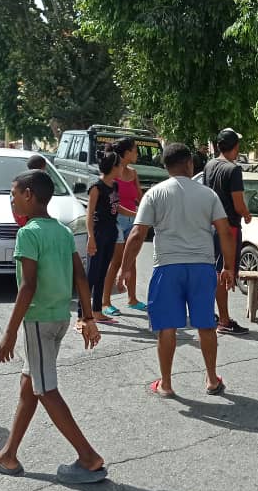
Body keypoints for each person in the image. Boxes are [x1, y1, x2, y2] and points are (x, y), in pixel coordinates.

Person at [0, 170, 106, 482]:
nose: (11, 200)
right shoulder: (62, 232)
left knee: (46, 390)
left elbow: (28, 286)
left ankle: (88, 457)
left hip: (38, 320)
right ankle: (8, 455)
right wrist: (87, 317)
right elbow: (80, 276)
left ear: (30, 195)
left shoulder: (28, 234)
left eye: (14, 193)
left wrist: (9, 332)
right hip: (59, 318)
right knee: (30, 385)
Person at [120, 143, 236, 397]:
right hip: (202, 267)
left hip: (167, 268)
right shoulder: (208, 195)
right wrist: (228, 266)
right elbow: (225, 231)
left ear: (166, 167)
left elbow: (138, 233)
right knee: (206, 325)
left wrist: (125, 268)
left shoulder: (155, 194)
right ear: (189, 164)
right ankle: (212, 380)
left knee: (167, 327)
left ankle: (167, 383)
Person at [203, 129, 252, 335]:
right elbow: (238, 203)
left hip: (210, 225)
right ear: (235, 147)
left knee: (213, 272)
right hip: (228, 226)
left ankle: (209, 313)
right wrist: (247, 215)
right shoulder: (233, 170)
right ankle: (224, 320)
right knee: (225, 273)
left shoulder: (209, 165)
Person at [101, 138, 146, 316]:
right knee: (117, 260)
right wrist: (134, 214)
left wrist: (145, 214)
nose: (137, 154)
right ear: (126, 153)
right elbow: (112, 202)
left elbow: (140, 198)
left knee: (131, 258)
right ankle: (105, 302)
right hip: (116, 220)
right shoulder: (113, 173)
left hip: (132, 219)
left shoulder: (133, 173)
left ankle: (132, 299)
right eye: (135, 150)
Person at [81, 151, 124, 325]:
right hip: (98, 233)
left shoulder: (115, 186)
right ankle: (82, 314)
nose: (122, 168)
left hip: (111, 232)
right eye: (120, 165)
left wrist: (137, 214)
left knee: (102, 274)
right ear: (114, 167)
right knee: (91, 275)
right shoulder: (96, 187)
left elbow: (116, 208)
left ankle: (97, 311)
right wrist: (91, 237)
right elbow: (89, 214)